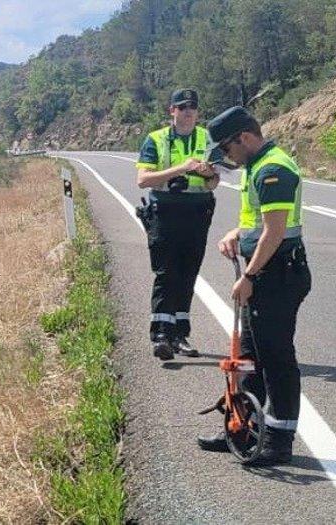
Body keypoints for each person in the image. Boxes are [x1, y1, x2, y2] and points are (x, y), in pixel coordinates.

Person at [198, 106, 312, 465]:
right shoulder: (255, 166)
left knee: (276, 358)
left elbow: (275, 232)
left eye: (227, 149)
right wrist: (237, 233)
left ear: (244, 138)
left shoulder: (272, 170)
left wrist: (248, 276)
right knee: (248, 356)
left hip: (278, 275)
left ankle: (278, 441)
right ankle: (242, 428)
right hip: (266, 270)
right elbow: (259, 223)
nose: (227, 157)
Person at [135, 88, 219, 360]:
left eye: (192, 107)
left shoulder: (207, 138)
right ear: (172, 110)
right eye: (182, 107)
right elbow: (143, 180)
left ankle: (180, 334)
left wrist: (208, 174)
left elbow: (214, 182)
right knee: (166, 273)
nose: (187, 112)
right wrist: (182, 168)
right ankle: (161, 335)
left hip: (197, 211)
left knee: (188, 273)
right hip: (165, 211)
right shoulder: (156, 139)